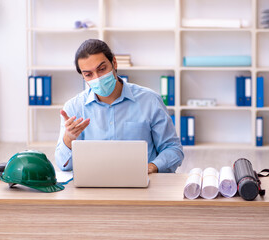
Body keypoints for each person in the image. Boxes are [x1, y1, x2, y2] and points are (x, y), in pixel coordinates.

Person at [55, 39, 184, 173]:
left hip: (143, 184)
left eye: (102, 69)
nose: (97, 78)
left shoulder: (150, 101)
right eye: (88, 74)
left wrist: (152, 167)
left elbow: (173, 149)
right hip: (94, 187)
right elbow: (63, 165)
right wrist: (68, 139)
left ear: (114, 63)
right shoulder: (74, 107)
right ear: (83, 76)